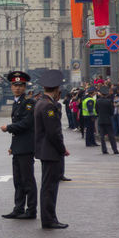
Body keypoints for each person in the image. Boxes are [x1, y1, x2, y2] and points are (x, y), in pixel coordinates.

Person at [34, 69, 69, 229]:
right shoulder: (48, 106)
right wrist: (62, 149)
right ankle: (49, 219)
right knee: (49, 188)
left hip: (45, 151)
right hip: (50, 151)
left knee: (48, 186)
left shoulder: (41, 103)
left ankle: (49, 218)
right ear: (56, 90)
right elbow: (54, 132)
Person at [0, 71, 37, 219]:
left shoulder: (28, 102)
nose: (17, 88)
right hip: (19, 147)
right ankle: (18, 208)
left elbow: (26, 124)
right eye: (15, 85)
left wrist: (8, 128)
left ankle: (31, 210)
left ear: (25, 86)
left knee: (28, 180)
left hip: (26, 146)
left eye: (20, 85)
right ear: (11, 86)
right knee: (18, 180)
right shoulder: (17, 102)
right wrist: (12, 146)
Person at [95, 86, 119, 155]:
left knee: (102, 136)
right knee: (111, 136)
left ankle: (104, 150)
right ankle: (115, 150)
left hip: (100, 119)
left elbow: (96, 110)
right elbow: (112, 112)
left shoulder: (98, 101)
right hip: (108, 119)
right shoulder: (109, 101)